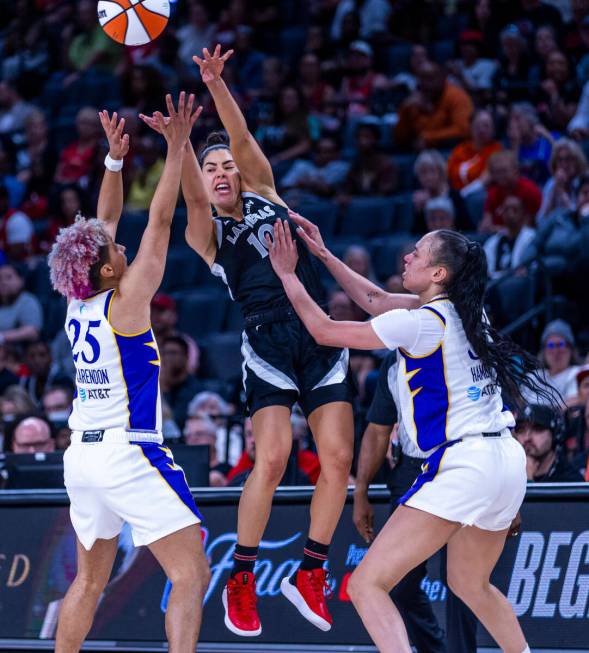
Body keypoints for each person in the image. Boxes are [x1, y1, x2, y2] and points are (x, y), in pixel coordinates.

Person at [142, 45, 355, 636]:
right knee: (275, 458)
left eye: (225, 166)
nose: (220, 174)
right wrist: (180, 144)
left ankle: (310, 573)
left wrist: (216, 85)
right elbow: (188, 194)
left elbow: (239, 136)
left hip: (318, 331)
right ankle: (242, 576)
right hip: (267, 345)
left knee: (338, 461)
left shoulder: (265, 191)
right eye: (210, 171)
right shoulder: (207, 234)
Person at [266, 215, 555, 653]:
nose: (407, 255)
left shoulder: (421, 324)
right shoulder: (468, 310)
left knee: (366, 584)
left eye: (417, 253)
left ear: (438, 273)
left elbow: (325, 331)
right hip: (505, 462)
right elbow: (376, 298)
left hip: (465, 464)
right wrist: (324, 256)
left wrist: (288, 275)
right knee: (470, 584)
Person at [47, 97, 210, 653]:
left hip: (82, 459)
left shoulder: (79, 301)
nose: (119, 243)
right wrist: (176, 146)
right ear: (110, 267)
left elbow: (104, 221)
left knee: (89, 579)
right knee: (191, 572)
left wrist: (114, 163)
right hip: (128, 450)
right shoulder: (128, 303)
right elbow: (160, 220)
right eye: (116, 249)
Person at [354, 351, 478, 653]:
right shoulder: (394, 361)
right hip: (412, 470)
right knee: (399, 583)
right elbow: (378, 428)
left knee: (462, 582)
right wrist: (360, 492)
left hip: (461, 465)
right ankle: (434, 649)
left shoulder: (461, 348)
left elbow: (493, 413)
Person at [395, 62, 474, 151]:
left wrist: (429, 137)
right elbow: (399, 138)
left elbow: (463, 130)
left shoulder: (457, 97)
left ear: (442, 78)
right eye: (422, 79)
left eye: (431, 78)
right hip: (418, 153)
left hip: (452, 151)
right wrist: (404, 111)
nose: (427, 84)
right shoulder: (413, 101)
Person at [514, 404, 583, 481]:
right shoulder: (509, 473)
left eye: (537, 429)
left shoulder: (571, 480)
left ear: (555, 435)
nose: (527, 438)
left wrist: (528, 480)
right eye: (521, 430)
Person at [447, 109, 502, 192]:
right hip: (455, 194)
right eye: (478, 125)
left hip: (480, 194)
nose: (481, 130)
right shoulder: (460, 149)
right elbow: (447, 174)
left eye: (486, 126)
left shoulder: (496, 150)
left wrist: (463, 194)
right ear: (471, 127)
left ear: (493, 129)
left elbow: (486, 179)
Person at [483, 195, 536, 277]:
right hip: (494, 283)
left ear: (523, 213)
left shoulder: (531, 238)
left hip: (518, 283)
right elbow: (485, 268)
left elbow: (533, 266)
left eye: (515, 210)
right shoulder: (494, 241)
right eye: (506, 210)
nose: (510, 214)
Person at [0, 263, 43, 345]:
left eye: (8, 277)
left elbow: (32, 331)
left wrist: (3, 337)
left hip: (18, 353)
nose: (3, 282)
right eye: (0, 278)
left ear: (21, 281)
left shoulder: (27, 300)